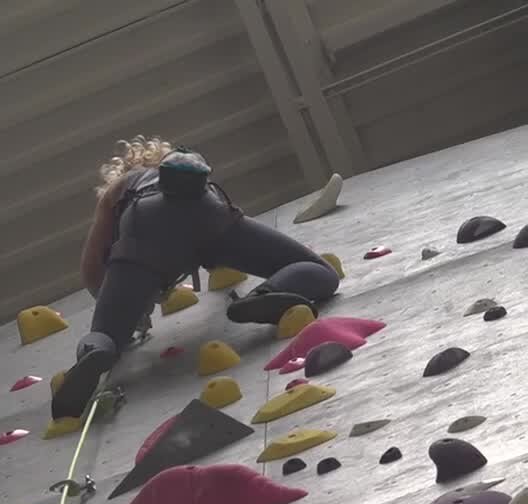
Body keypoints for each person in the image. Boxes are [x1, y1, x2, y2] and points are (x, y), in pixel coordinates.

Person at [50, 136, 340, 420]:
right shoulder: (184, 180)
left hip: (144, 225)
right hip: (208, 214)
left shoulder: (120, 188)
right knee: (316, 270)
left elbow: (91, 270)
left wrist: (121, 309)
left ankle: (93, 354)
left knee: (106, 335)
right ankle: (267, 293)